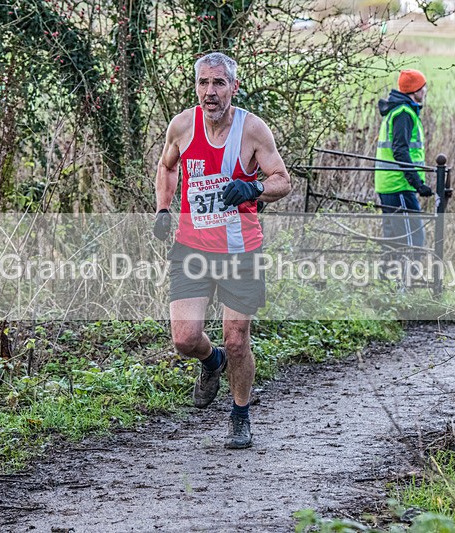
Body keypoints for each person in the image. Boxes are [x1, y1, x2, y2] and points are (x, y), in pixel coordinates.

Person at [153, 52, 291, 449]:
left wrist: (255, 188)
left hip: (240, 251)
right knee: (184, 338)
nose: (210, 93)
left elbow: (283, 180)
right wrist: (164, 208)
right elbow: (167, 166)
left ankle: (240, 414)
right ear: (196, 86)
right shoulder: (181, 125)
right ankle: (211, 363)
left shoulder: (252, 130)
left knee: (236, 338)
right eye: (203, 84)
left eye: (218, 84)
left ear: (233, 86)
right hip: (191, 249)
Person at [374, 69, 432, 261]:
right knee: (411, 238)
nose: (425, 91)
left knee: (393, 239)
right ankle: (406, 284)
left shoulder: (396, 110)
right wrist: (418, 183)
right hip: (399, 185)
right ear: (414, 90)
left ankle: (387, 283)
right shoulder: (404, 114)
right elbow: (401, 151)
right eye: (423, 87)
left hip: (390, 183)